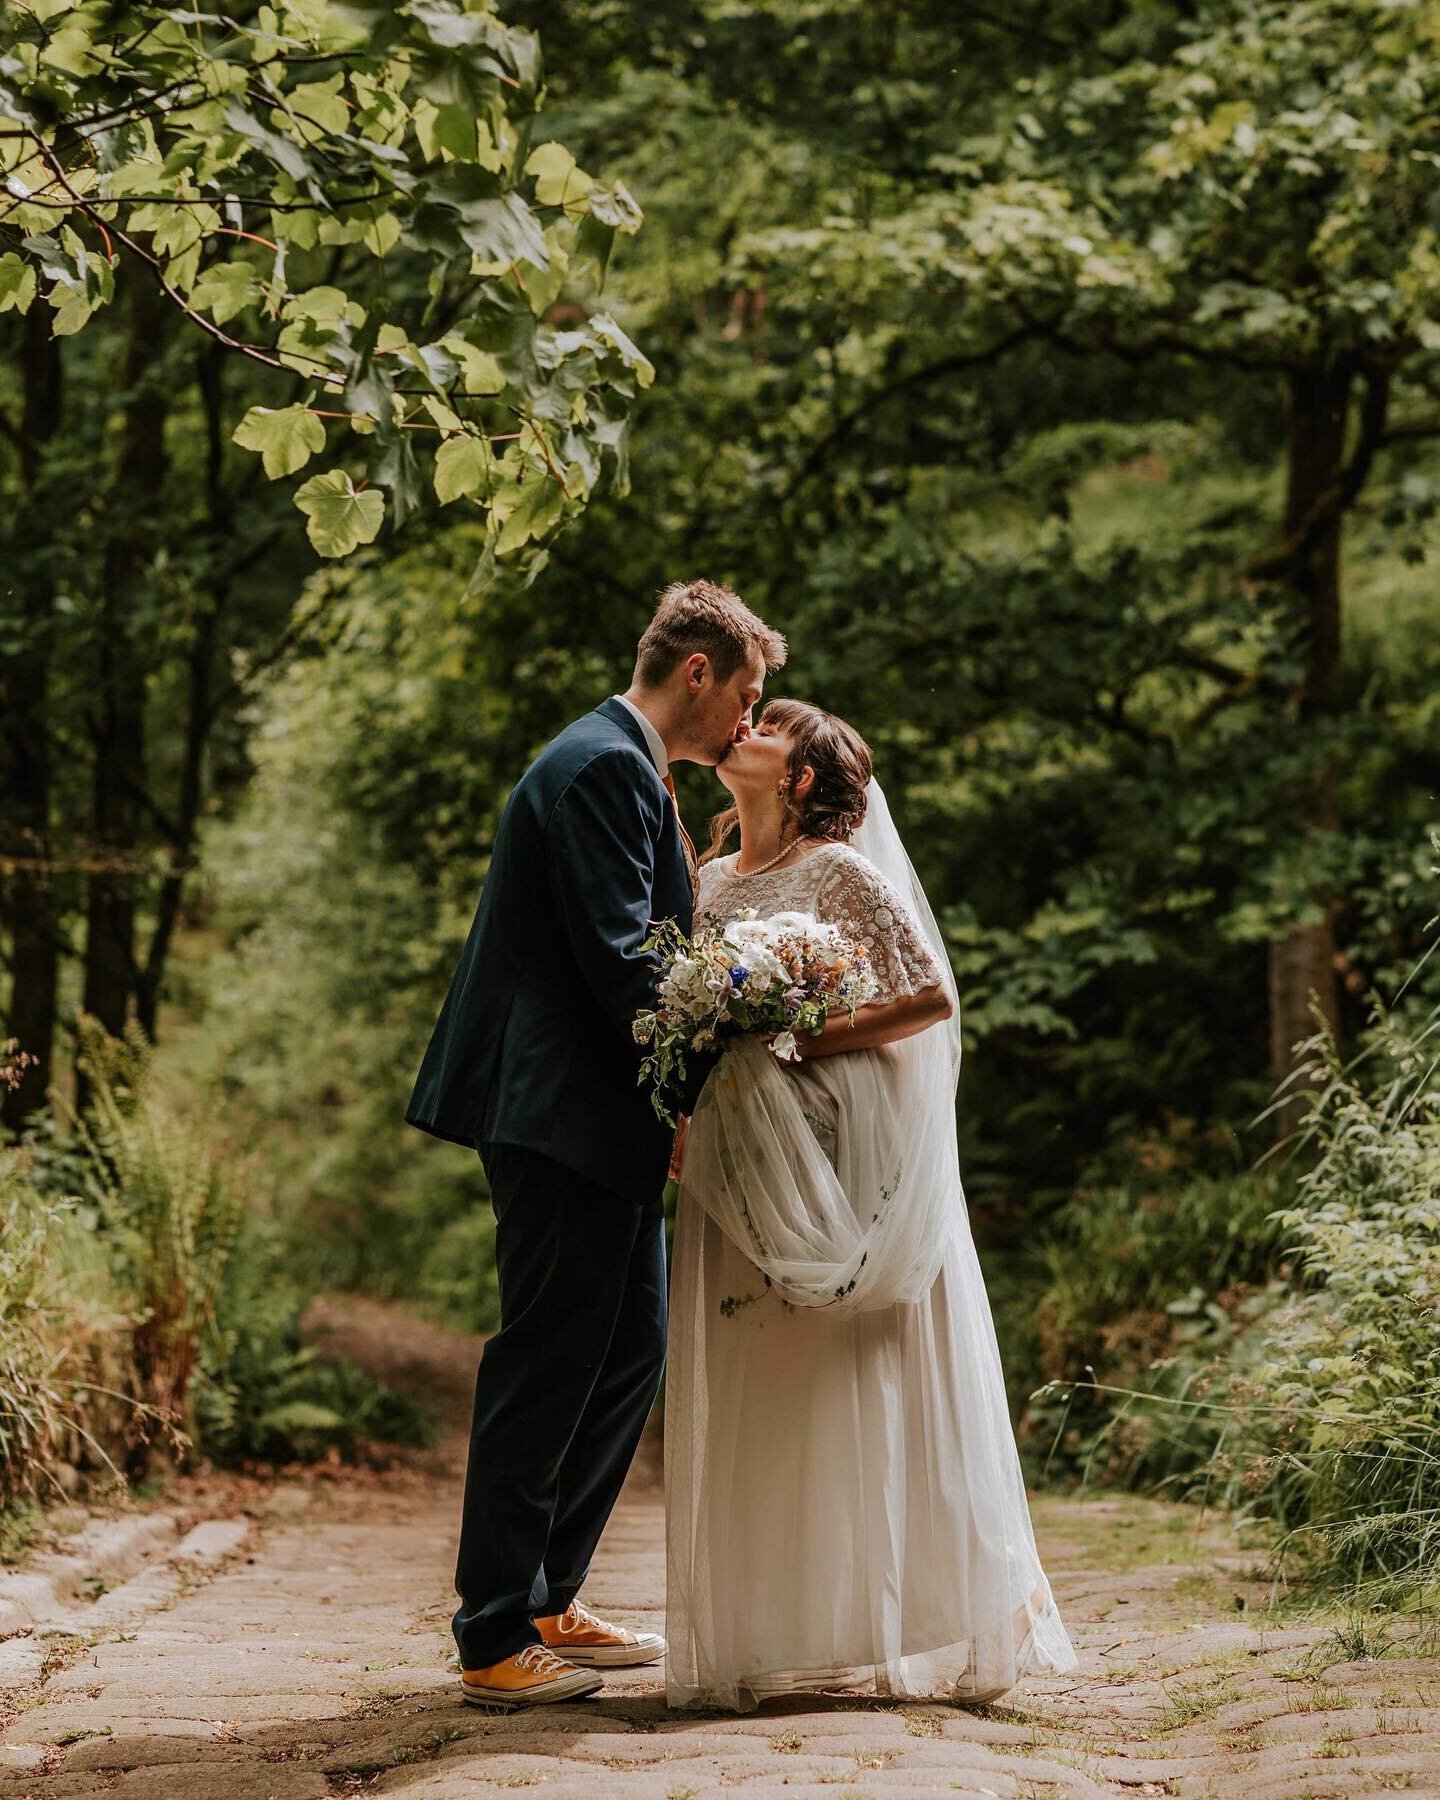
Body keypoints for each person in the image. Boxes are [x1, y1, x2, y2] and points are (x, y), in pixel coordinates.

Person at [406, 579, 787, 1712]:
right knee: (548, 1357)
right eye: (748, 697)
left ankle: (545, 1593)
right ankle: (489, 1633)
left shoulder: (627, 770)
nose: (751, 726)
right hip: (555, 1113)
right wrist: (753, 1001)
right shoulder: (600, 766)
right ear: (700, 674)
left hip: (606, 1118)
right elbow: (625, 962)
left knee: (627, 1354)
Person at [665, 698, 1079, 1709]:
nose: (742, 730)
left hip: (842, 1150)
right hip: (742, 1157)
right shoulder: (710, 880)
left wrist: (806, 1035)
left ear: (801, 778)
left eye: (767, 727)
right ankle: (785, 1622)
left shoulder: (839, 871)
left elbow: (930, 996)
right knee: (767, 1367)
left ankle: (950, 1598)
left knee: (859, 1360)